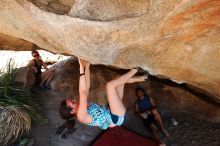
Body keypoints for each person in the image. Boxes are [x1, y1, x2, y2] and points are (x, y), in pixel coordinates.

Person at [59, 58, 148, 130]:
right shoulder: (81, 116)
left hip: (111, 109)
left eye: (72, 100)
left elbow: (86, 87)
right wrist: (81, 68)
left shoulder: (80, 107)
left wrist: (87, 67)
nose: (74, 100)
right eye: (72, 102)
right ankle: (135, 69)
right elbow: (82, 93)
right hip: (115, 117)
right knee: (110, 86)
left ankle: (143, 77)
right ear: (72, 111)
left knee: (119, 80)